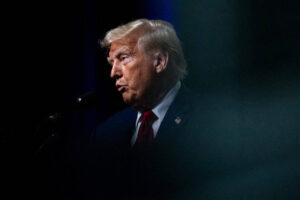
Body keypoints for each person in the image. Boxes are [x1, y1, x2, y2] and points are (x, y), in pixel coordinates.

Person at [81, 19, 300, 200]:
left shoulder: (211, 120)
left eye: (123, 58)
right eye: (111, 63)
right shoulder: (106, 134)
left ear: (159, 61)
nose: (113, 73)